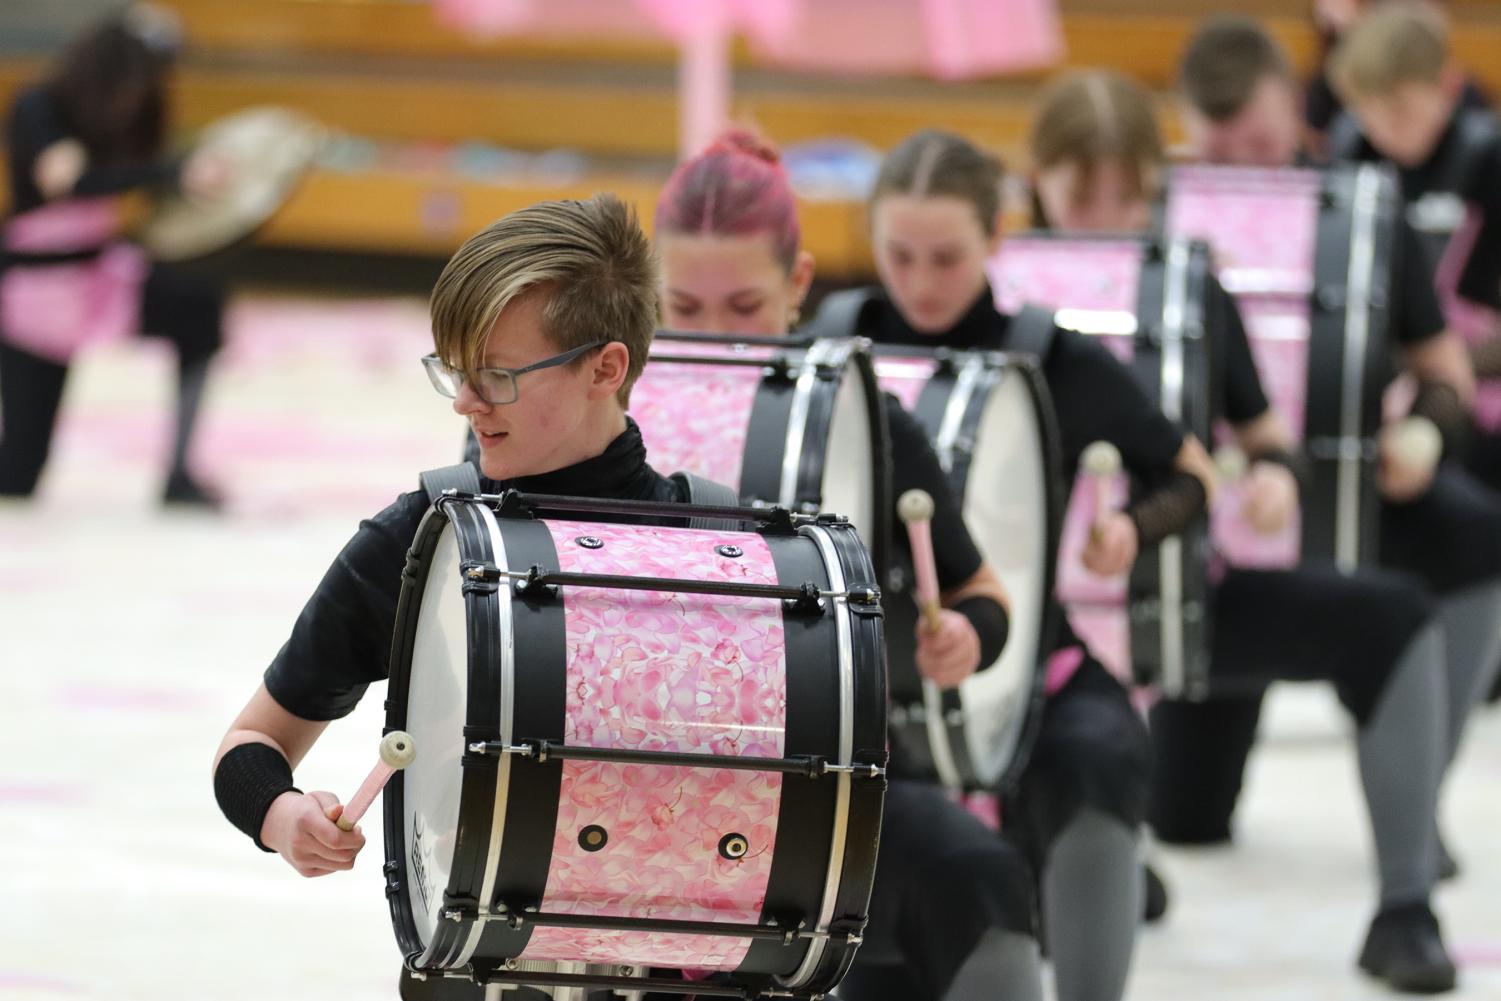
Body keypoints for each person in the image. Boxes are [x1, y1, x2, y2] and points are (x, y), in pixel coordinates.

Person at [213, 195, 740, 996]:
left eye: (495, 375)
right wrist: (285, 817)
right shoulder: (422, 538)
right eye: (456, 372)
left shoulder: (726, 552)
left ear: (606, 367)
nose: (464, 402)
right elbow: (250, 743)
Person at [1029, 68, 1459, 993]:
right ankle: (1087, 842)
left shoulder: (1193, 292)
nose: (1102, 214)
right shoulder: (993, 300)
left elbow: (1268, 441)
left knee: (1393, 615)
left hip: (1185, 603)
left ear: (1154, 186)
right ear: (1037, 181)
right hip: (1031, 647)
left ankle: (1405, 904)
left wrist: (1269, 480)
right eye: (1079, 191)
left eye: (1123, 192)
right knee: (1160, 815)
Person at [812, 128, 1219, 1001]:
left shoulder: (1055, 355)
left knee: (1102, 753)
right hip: (875, 684)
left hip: (1033, 661)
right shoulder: (830, 353)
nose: (919, 282)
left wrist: (1134, 530)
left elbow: (1188, 471)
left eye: (946, 257)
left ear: (998, 237)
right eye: (899, 254)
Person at [653, 130, 1043, 1001]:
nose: (717, 336)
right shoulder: (604, 414)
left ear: (798, 285)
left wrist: (966, 640)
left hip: (827, 784)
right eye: (685, 305)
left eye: (745, 306)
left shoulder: (867, 423)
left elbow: (981, 592)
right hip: (629, 789)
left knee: (983, 879)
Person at [1174, 1, 1501, 905]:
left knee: (1476, 537)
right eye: (1220, 148)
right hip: (1211, 532)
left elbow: (1441, 372)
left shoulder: (1360, 207)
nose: (1243, 167)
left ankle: (1418, 792)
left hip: (1355, 488)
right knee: (1185, 820)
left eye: (1260, 141)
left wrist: (1426, 432)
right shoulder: (1167, 216)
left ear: (1296, 108)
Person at [0, 4, 227, 506]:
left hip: (102, 277)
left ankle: (179, 473)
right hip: (39, 294)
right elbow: (65, 181)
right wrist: (171, 172)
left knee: (197, 309)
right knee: (18, 473)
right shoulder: (42, 105)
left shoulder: (129, 121)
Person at [1324, 1, 1501, 491]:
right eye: (1366, 113)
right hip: (1389, 384)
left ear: (1446, 84)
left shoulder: (1489, 161)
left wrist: (1433, 371)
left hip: (1477, 392)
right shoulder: (1352, 157)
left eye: (1399, 109)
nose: (1384, 130)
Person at [1302, 0, 1488, 162]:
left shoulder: (1486, 155)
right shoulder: (1353, 147)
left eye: (1401, 113)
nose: (1385, 133)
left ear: (1448, 84)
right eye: (1369, 121)